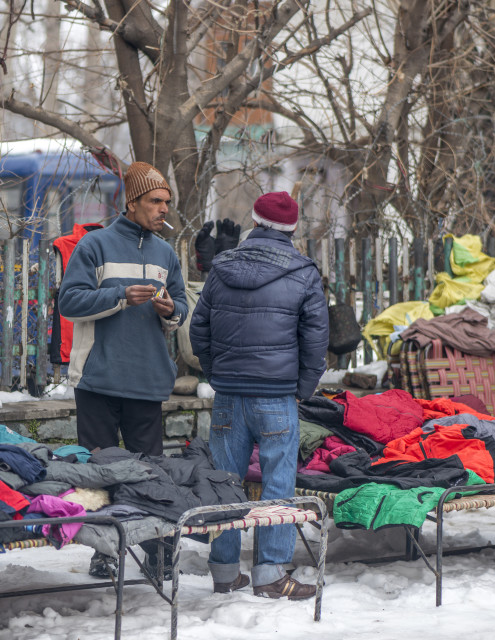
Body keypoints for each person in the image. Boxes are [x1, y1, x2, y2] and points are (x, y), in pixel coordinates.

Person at [190, 191, 329, 600]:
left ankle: (225, 572)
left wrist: (219, 375)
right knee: (278, 485)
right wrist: (302, 389)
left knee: (225, 483)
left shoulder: (221, 267)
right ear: (293, 228)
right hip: (276, 396)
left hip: (230, 395)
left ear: (254, 220)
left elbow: (200, 329)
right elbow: (316, 341)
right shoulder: (303, 271)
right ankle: (269, 575)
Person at [58, 161, 188, 577]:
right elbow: (69, 302)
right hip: (97, 379)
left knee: (151, 473)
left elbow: (182, 307)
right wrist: (118, 295)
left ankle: (157, 552)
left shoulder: (166, 252)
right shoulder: (93, 246)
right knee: (98, 474)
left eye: (167, 201)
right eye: (155, 201)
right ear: (131, 203)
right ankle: (104, 553)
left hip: (148, 380)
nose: (163, 208)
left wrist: (171, 310)